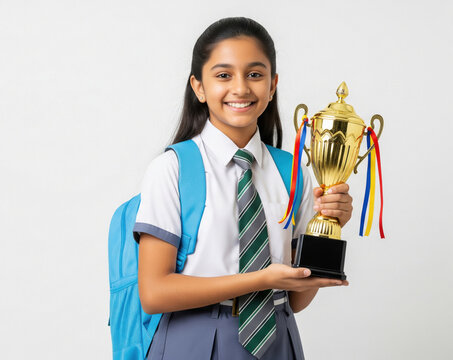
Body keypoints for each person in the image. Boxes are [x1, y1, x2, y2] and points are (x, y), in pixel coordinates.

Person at [133, 17, 352, 360]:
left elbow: (296, 299)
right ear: (199, 87)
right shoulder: (173, 169)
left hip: (277, 338)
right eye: (223, 75)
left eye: (255, 74)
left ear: (273, 84)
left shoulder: (293, 172)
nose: (241, 88)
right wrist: (261, 279)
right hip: (193, 341)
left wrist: (329, 228)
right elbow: (154, 292)